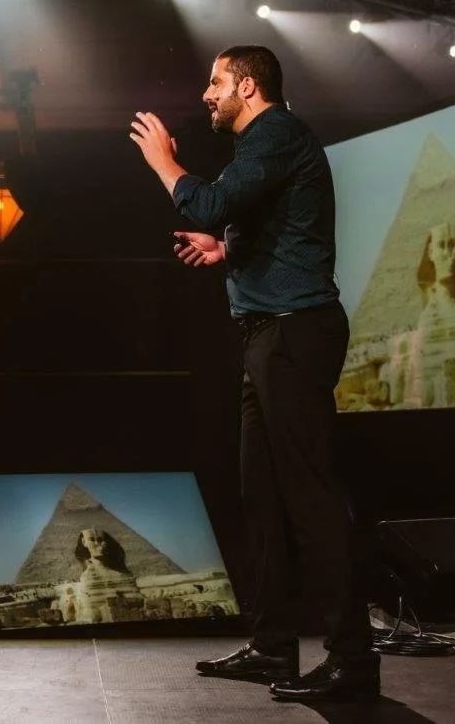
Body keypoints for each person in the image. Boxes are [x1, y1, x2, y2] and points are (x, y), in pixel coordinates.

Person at [129, 45, 378, 701]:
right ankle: (272, 648)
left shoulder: (276, 133)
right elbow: (261, 219)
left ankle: (353, 658)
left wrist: (165, 163)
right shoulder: (263, 145)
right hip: (269, 336)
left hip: (294, 333)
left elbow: (210, 204)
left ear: (246, 84)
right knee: (262, 498)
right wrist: (226, 248)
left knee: (310, 499)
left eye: (214, 83)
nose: (206, 94)